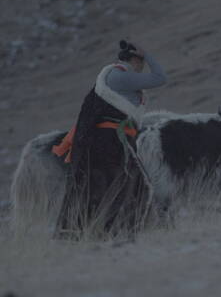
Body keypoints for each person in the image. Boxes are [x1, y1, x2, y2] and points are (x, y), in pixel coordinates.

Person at [53, 40, 167, 240]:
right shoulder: (121, 76)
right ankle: (113, 231)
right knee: (124, 183)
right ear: (134, 60)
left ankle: (110, 231)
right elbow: (160, 78)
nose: (142, 68)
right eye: (141, 63)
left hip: (112, 140)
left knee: (120, 184)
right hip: (109, 141)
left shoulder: (118, 77)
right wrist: (147, 54)